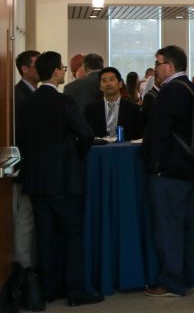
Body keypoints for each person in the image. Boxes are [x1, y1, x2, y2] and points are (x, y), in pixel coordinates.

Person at [16, 51, 103, 307]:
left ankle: (49, 288)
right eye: (62, 68)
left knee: (45, 236)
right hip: (64, 180)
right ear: (55, 71)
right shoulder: (64, 101)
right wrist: (77, 154)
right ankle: (76, 290)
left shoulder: (27, 103)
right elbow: (85, 134)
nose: (64, 71)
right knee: (73, 235)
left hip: (37, 181)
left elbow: (22, 140)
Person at [143, 45, 194, 297]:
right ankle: (190, 276)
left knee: (169, 228)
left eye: (158, 64)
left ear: (170, 66)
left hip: (170, 171)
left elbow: (157, 133)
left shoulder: (169, 92)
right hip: (193, 168)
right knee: (190, 226)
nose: (155, 69)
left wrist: (153, 164)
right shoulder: (192, 88)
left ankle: (171, 282)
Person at [13, 50, 40, 270]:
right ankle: (24, 268)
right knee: (24, 218)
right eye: (37, 64)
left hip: (33, 167)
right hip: (24, 167)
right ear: (24, 69)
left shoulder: (33, 93)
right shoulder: (18, 96)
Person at [84, 67, 144, 141]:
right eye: (104, 81)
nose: (108, 84)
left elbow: (139, 137)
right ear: (100, 87)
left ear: (120, 84)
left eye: (111, 80)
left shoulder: (133, 109)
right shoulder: (90, 110)